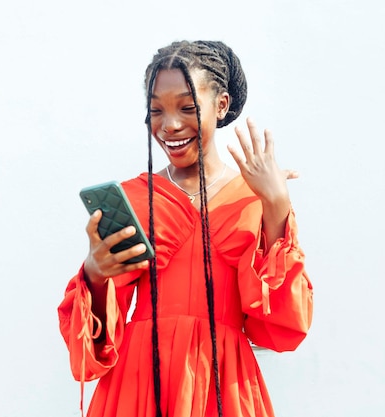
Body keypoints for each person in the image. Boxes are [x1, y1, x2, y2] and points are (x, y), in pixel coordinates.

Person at [58, 40, 313, 417]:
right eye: (156, 110)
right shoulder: (134, 197)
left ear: (221, 105)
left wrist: (276, 206)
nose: (170, 125)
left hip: (223, 383)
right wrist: (94, 275)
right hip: (139, 384)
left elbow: (281, 328)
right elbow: (92, 351)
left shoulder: (257, 196)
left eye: (188, 107)